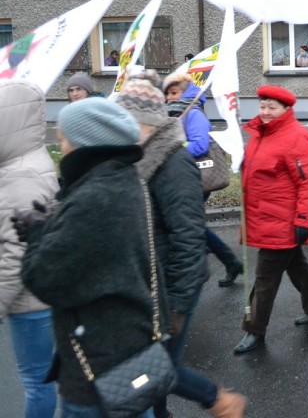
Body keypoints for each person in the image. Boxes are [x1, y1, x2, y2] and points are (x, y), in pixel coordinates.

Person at [17, 97, 156, 417]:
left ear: (86, 144)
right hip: (129, 347)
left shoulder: (93, 196)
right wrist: (57, 225)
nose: (61, 147)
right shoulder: (126, 180)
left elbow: (43, 279)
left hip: (96, 364)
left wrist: (39, 234)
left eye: (64, 139)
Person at [116, 77, 246, 418]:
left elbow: (189, 236)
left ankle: (218, 400)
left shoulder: (173, 163)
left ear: (144, 122)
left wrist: (178, 302)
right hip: (148, 282)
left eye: (124, 119)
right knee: (152, 368)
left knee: (160, 369)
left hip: (172, 288)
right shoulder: (136, 158)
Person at [234, 86, 308, 355]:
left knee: (265, 279)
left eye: (271, 108)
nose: (264, 112)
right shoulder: (260, 133)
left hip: (283, 220)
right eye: (262, 106)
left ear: (286, 109)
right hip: (264, 216)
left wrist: (302, 220)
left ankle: (254, 330)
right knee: (297, 265)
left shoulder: (297, 137)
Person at [1, 80, 59, 418]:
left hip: (30, 303)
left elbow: (16, 255)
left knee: (36, 381)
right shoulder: (21, 164)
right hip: (37, 297)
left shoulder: (20, 176)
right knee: (42, 379)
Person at [163, 72, 244, 288]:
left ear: (184, 92)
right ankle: (228, 261)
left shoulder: (194, 113)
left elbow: (200, 145)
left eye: (174, 92)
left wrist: (172, 149)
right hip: (179, 178)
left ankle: (213, 263)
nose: (170, 97)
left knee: (188, 225)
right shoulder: (175, 112)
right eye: (167, 93)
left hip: (195, 179)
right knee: (192, 225)